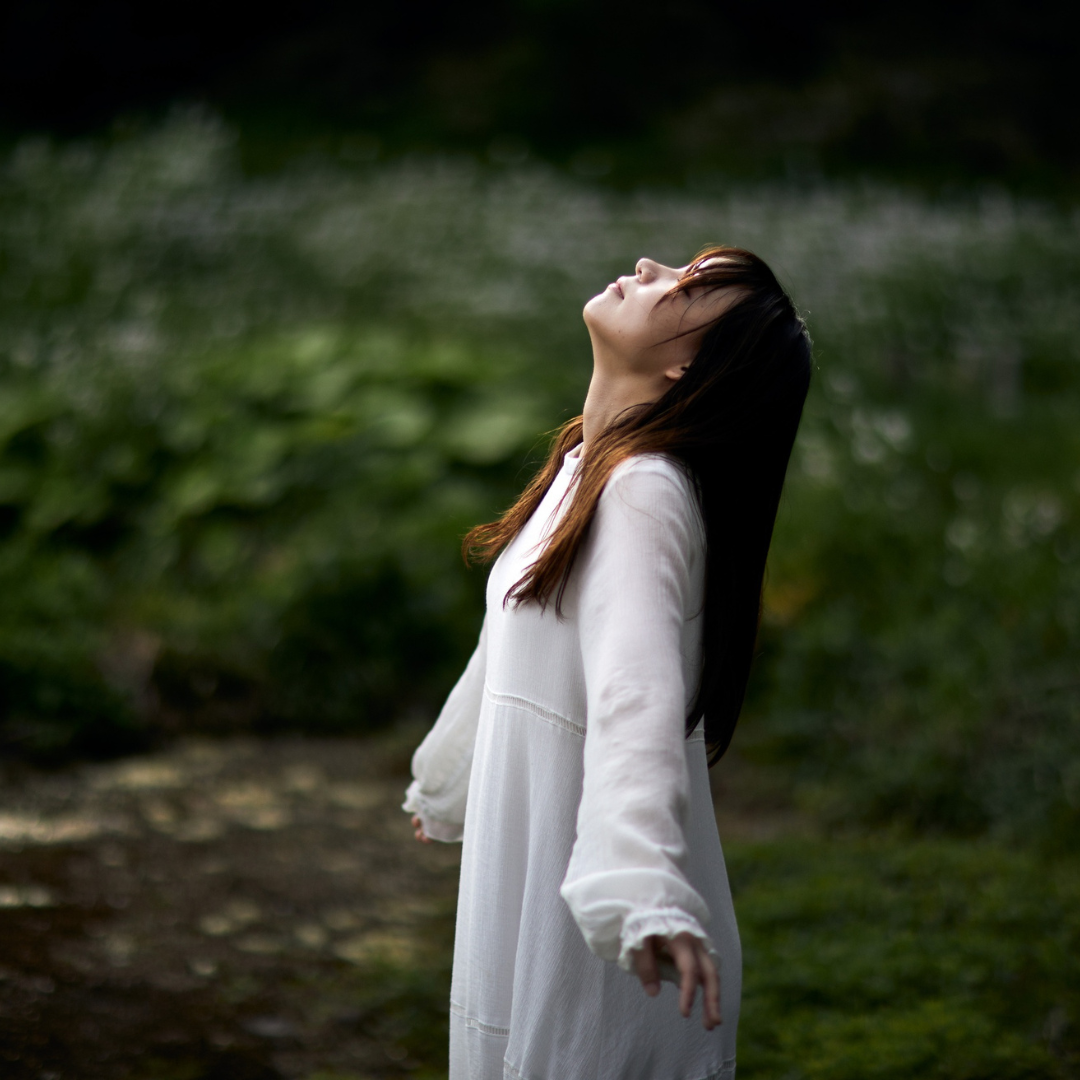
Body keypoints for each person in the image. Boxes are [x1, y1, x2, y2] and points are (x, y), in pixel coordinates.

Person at [403, 247, 811, 1080]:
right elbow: (510, 647)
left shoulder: (643, 492)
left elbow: (635, 693)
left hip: (609, 933)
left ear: (686, 365)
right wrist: (451, 778)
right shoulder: (583, 468)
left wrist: (640, 885)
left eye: (687, 289)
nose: (650, 265)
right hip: (539, 878)